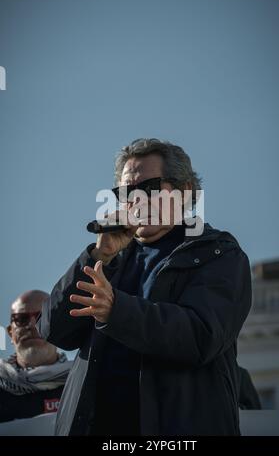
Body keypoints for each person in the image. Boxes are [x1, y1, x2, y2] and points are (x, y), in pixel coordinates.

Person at [38, 138, 252, 436]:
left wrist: (116, 310)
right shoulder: (111, 257)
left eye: (149, 188)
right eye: (127, 192)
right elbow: (53, 330)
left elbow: (201, 335)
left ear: (185, 190)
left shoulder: (218, 254)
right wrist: (99, 255)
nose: (136, 200)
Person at [0, 290, 72, 423]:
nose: (32, 326)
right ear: (10, 333)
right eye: (21, 319)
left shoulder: (83, 382)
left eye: (42, 317)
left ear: (59, 328)